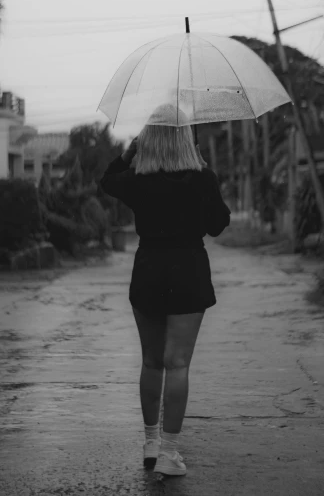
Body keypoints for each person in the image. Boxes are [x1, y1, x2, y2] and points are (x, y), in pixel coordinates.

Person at [100, 106, 231, 477]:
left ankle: (151, 442)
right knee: (178, 363)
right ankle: (170, 455)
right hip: (189, 270)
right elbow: (218, 225)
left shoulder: (139, 179)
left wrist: (129, 151)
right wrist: (204, 169)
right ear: (186, 138)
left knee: (151, 361)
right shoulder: (202, 177)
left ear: (149, 139)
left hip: (149, 270)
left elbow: (108, 179)